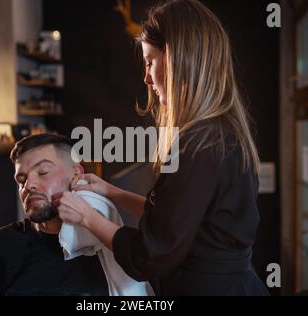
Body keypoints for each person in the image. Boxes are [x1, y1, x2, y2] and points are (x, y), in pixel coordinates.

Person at [53, 0, 270, 296]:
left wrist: (87, 217)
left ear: (179, 60)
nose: (146, 77)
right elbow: (173, 218)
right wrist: (111, 192)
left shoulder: (200, 146)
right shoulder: (219, 132)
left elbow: (149, 256)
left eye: (149, 61)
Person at [0, 134, 108, 296]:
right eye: (21, 179)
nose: (28, 185)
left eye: (43, 172)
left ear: (76, 174)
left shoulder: (106, 244)